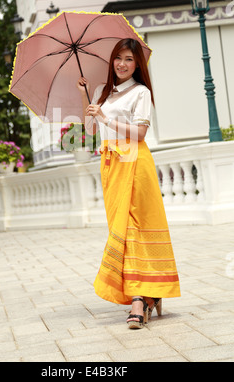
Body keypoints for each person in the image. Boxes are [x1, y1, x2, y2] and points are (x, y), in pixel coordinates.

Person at [76, 38, 180, 329]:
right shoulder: (101, 91)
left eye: (129, 59)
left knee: (135, 227)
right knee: (119, 229)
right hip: (110, 166)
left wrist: (106, 117)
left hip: (135, 162)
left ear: (137, 64)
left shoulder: (141, 92)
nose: (122, 64)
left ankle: (139, 299)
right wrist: (87, 98)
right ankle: (150, 293)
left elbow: (140, 134)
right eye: (118, 58)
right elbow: (89, 128)